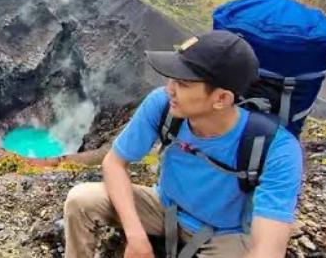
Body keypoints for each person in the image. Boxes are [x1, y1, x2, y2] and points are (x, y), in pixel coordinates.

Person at [63, 31, 303, 258]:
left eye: (183, 84)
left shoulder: (275, 148)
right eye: (171, 80)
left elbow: (268, 250)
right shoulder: (162, 104)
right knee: (80, 200)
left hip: (226, 234)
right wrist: (136, 237)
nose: (170, 89)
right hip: (165, 208)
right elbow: (114, 163)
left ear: (221, 99)